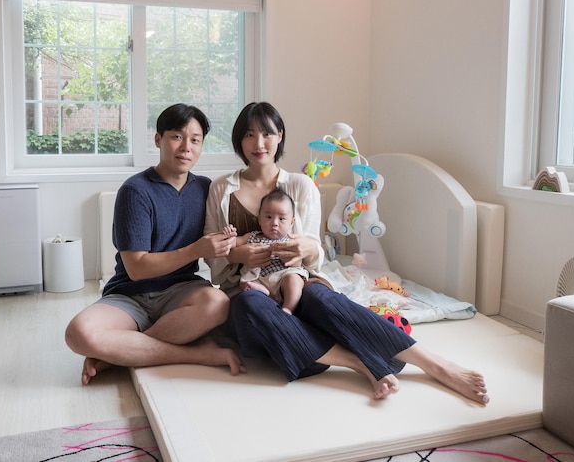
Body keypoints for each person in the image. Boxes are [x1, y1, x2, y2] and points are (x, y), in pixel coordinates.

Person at [204, 102, 489, 403]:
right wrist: (238, 256)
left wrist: (305, 247)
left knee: (322, 298)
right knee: (249, 304)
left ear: (280, 136)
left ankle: (436, 364)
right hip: (249, 290)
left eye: (267, 133)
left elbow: (316, 252)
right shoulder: (221, 188)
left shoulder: (301, 185)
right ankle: (362, 361)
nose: (258, 143)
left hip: (296, 280)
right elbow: (213, 254)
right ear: (238, 140)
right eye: (249, 135)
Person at [65, 104, 244, 385]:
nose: (186, 147)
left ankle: (117, 355)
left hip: (182, 291)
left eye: (195, 140)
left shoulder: (205, 188)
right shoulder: (136, 191)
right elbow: (136, 269)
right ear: (158, 139)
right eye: (177, 136)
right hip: (130, 295)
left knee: (218, 304)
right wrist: (196, 249)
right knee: (79, 333)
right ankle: (196, 355)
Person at [230, 187, 309, 315]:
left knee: (294, 279)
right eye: (268, 217)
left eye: (282, 219)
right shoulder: (253, 236)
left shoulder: (290, 240)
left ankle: (288, 307)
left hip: (283, 275)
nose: (275, 223)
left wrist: (287, 257)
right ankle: (262, 291)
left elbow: (297, 263)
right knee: (244, 283)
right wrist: (230, 235)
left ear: (291, 222)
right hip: (259, 277)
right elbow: (233, 243)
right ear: (259, 219)